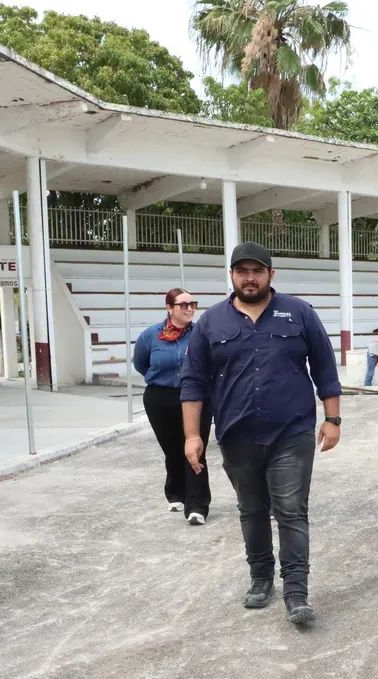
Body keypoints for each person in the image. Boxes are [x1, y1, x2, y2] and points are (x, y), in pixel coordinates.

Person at [181, 241, 342, 625]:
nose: (249, 278)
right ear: (232, 275)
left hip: (292, 433)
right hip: (237, 435)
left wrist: (333, 419)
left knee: (291, 510)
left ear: (271, 274)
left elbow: (324, 367)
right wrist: (192, 435)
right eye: (242, 271)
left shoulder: (299, 313)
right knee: (252, 510)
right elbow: (192, 382)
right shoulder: (211, 322)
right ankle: (260, 577)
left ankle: (296, 592)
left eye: (257, 271)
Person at [132, 288, 212, 525]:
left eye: (192, 304)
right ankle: (176, 492)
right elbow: (141, 363)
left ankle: (197, 505)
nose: (189, 309)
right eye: (183, 305)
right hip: (160, 397)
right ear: (169, 308)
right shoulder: (151, 335)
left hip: (195, 396)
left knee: (196, 447)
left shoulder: (201, 334)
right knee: (172, 448)